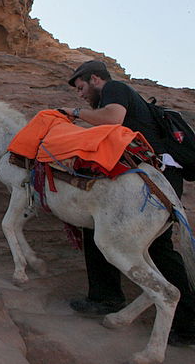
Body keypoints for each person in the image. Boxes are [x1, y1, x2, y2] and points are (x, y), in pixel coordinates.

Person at [61, 59, 195, 347]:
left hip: (155, 179)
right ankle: (105, 296)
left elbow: (112, 120)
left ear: (95, 79)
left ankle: (188, 326)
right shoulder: (108, 97)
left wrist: (73, 113)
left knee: (159, 249)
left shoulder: (116, 90)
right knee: (93, 220)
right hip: (142, 178)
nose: (80, 95)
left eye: (81, 87)